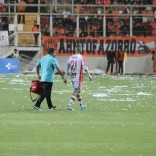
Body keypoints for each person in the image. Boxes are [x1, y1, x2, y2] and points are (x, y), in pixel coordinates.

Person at [64, 45, 92, 111]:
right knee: (76, 90)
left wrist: (65, 77)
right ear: (81, 49)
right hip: (78, 76)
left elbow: (67, 68)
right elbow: (85, 67)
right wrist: (89, 75)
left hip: (72, 76)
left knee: (77, 91)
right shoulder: (82, 57)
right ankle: (69, 104)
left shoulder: (70, 57)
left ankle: (82, 105)